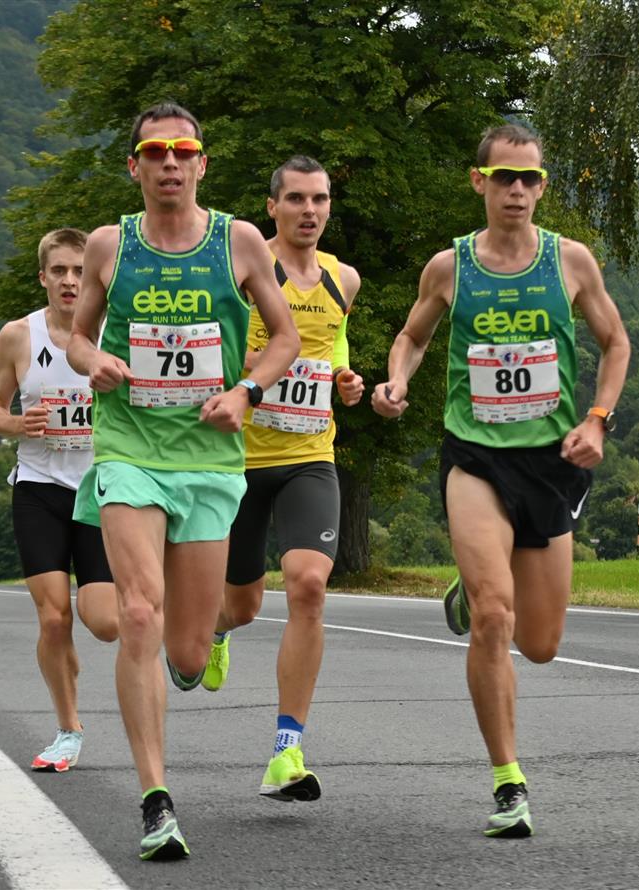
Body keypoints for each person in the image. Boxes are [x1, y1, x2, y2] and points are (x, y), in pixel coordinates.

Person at [372, 124, 630, 838]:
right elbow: (412, 336)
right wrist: (397, 381)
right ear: (478, 181)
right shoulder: (449, 267)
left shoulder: (569, 262)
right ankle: (508, 781)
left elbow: (615, 342)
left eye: (530, 178)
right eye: (504, 176)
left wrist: (597, 420)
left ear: (542, 187)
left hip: (550, 462)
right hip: (475, 457)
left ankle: (471, 584)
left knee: (540, 644)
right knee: (494, 617)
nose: (517, 190)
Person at [67, 101, 300, 862]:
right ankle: (155, 800)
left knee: (190, 653)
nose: (169, 162)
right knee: (138, 612)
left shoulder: (239, 241)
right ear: (134, 166)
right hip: (129, 448)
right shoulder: (109, 245)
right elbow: (77, 335)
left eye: (182, 151)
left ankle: (200, 645)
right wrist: (94, 360)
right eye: (154, 152)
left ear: (201, 163)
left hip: (207, 459)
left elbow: (286, 337)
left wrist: (246, 392)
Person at [199, 156, 364, 804]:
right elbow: (212, 346)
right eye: (295, 198)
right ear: (272, 207)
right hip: (239, 460)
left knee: (307, 585)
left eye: (319, 199)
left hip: (309, 455)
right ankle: (215, 631)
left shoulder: (343, 279)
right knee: (241, 606)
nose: (309, 210)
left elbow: (334, 344)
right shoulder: (245, 269)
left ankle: (286, 749)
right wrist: (266, 365)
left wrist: (343, 377)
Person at [0, 227, 119, 774]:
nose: (69, 281)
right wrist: (18, 424)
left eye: (80, 271)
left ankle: (71, 658)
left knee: (105, 622)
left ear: (95, 278)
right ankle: (68, 729)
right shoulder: (18, 336)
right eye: (59, 270)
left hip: (99, 489)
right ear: (43, 276)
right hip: (38, 488)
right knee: (53, 617)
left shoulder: (114, 332)